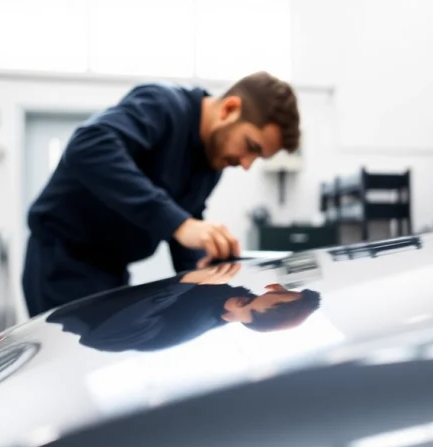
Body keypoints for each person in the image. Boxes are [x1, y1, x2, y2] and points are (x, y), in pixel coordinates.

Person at [22, 71, 301, 317]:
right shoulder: (163, 105)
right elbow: (88, 147)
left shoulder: (211, 160)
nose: (246, 164)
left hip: (112, 270)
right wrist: (181, 224)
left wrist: (205, 278)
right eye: (251, 146)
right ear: (229, 108)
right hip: (62, 264)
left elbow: (184, 222)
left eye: (258, 157)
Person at [46, 262, 322, 353]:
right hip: (97, 279)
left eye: (249, 307)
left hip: (70, 315)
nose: (272, 288)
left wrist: (186, 282)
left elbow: (106, 338)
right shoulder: (230, 283)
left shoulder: (192, 327)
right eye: (279, 293)